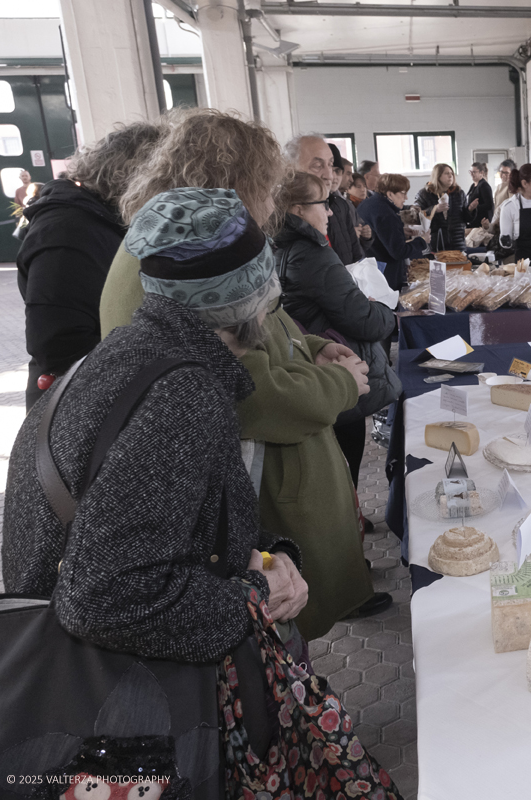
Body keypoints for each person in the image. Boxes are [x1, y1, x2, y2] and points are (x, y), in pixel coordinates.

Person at [2, 188, 401, 794]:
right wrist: (255, 593)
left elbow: (169, 510)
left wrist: (265, 548)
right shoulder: (183, 395)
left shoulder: (130, 351)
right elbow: (103, 599)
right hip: (125, 708)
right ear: (255, 303)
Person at [101, 110, 393, 633]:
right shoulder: (180, 255)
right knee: (275, 628)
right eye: (267, 185)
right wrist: (341, 384)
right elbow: (245, 388)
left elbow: (265, 320)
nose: (272, 202)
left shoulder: (187, 238)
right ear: (236, 182)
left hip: (274, 464)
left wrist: (313, 346)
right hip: (259, 476)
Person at [17, 121, 165, 408]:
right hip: (79, 401)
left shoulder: (99, 218)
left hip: (99, 390)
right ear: (139, 177)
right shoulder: (67, 230)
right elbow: (57, 343)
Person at [274, 171, 401, 488]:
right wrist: (386, 312)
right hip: (335, 365)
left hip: (313, 366)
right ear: (298, 210)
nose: (330, 212)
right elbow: (363, 320)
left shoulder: (278, 245)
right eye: (323, 204)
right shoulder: (312, 254)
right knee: (345, 463)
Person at [286, 134, 364, 268]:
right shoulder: (279, 217)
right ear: (290, 169)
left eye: (330, 165)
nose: (329, 176)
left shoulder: (339, 206)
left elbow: (357, 257)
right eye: (317, 166)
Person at [359, 173, 429, 289]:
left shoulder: (369, 203)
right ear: (390, 194)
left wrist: (400, 233)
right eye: (403, 193)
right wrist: (422, 240)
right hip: (385, 276)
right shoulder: (386, 213)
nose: (406, 198)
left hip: (370, 270)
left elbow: (379, 235)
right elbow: (398, 252)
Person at [416, 163, 468, 251]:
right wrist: (434, 209)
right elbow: (416, 215)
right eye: (447, 173)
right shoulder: (424, 193)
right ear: (438, 176)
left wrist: (471, 210)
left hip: (457, 242)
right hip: (434, 243)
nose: (450, 176)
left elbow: (466, 219)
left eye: (452, 173)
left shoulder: (459, 193)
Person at [464, 161, 494, 229]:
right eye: (470, 172)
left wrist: (474, 207)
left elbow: (489, 205)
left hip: (481, 223)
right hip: (473, 221)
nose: (471, 174)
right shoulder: (473, 185)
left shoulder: (484, 186)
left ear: (481, 173)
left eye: (474, 172)